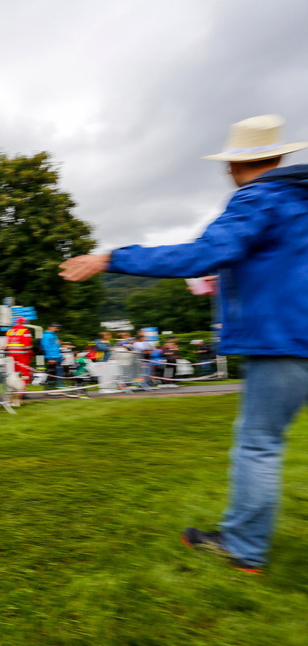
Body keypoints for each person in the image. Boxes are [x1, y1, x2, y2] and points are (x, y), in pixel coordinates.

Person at [59, 114, 308, 573]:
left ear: (236, 164)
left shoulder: (258, 199)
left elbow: (200, 253)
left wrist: (110, 258)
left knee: (259, 444)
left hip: (285, 339)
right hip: (295, 331)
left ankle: (245, 548)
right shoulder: (299, 201)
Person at [5, 318, 34, 384]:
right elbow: (28, 346)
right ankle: (22, 391)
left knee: (13, 372)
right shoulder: (25, 331)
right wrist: (31, 354)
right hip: (23, 356)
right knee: (24, 373)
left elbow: (6, 344)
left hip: (11, 356)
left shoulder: (9, 331)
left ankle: (14, 390)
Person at [41, 322, 64, 388]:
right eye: (56, 327)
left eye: (58, 328)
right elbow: (46, 347)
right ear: (50, 327)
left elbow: (56, 346)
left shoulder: (54, 335)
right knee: (51, 374)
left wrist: (60, 355)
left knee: (56, 373)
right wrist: (50, 358)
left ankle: (58, 386)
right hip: (52, 357)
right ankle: (50, 388)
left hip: (56, 357)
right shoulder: (47, 335)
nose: (57, 329)